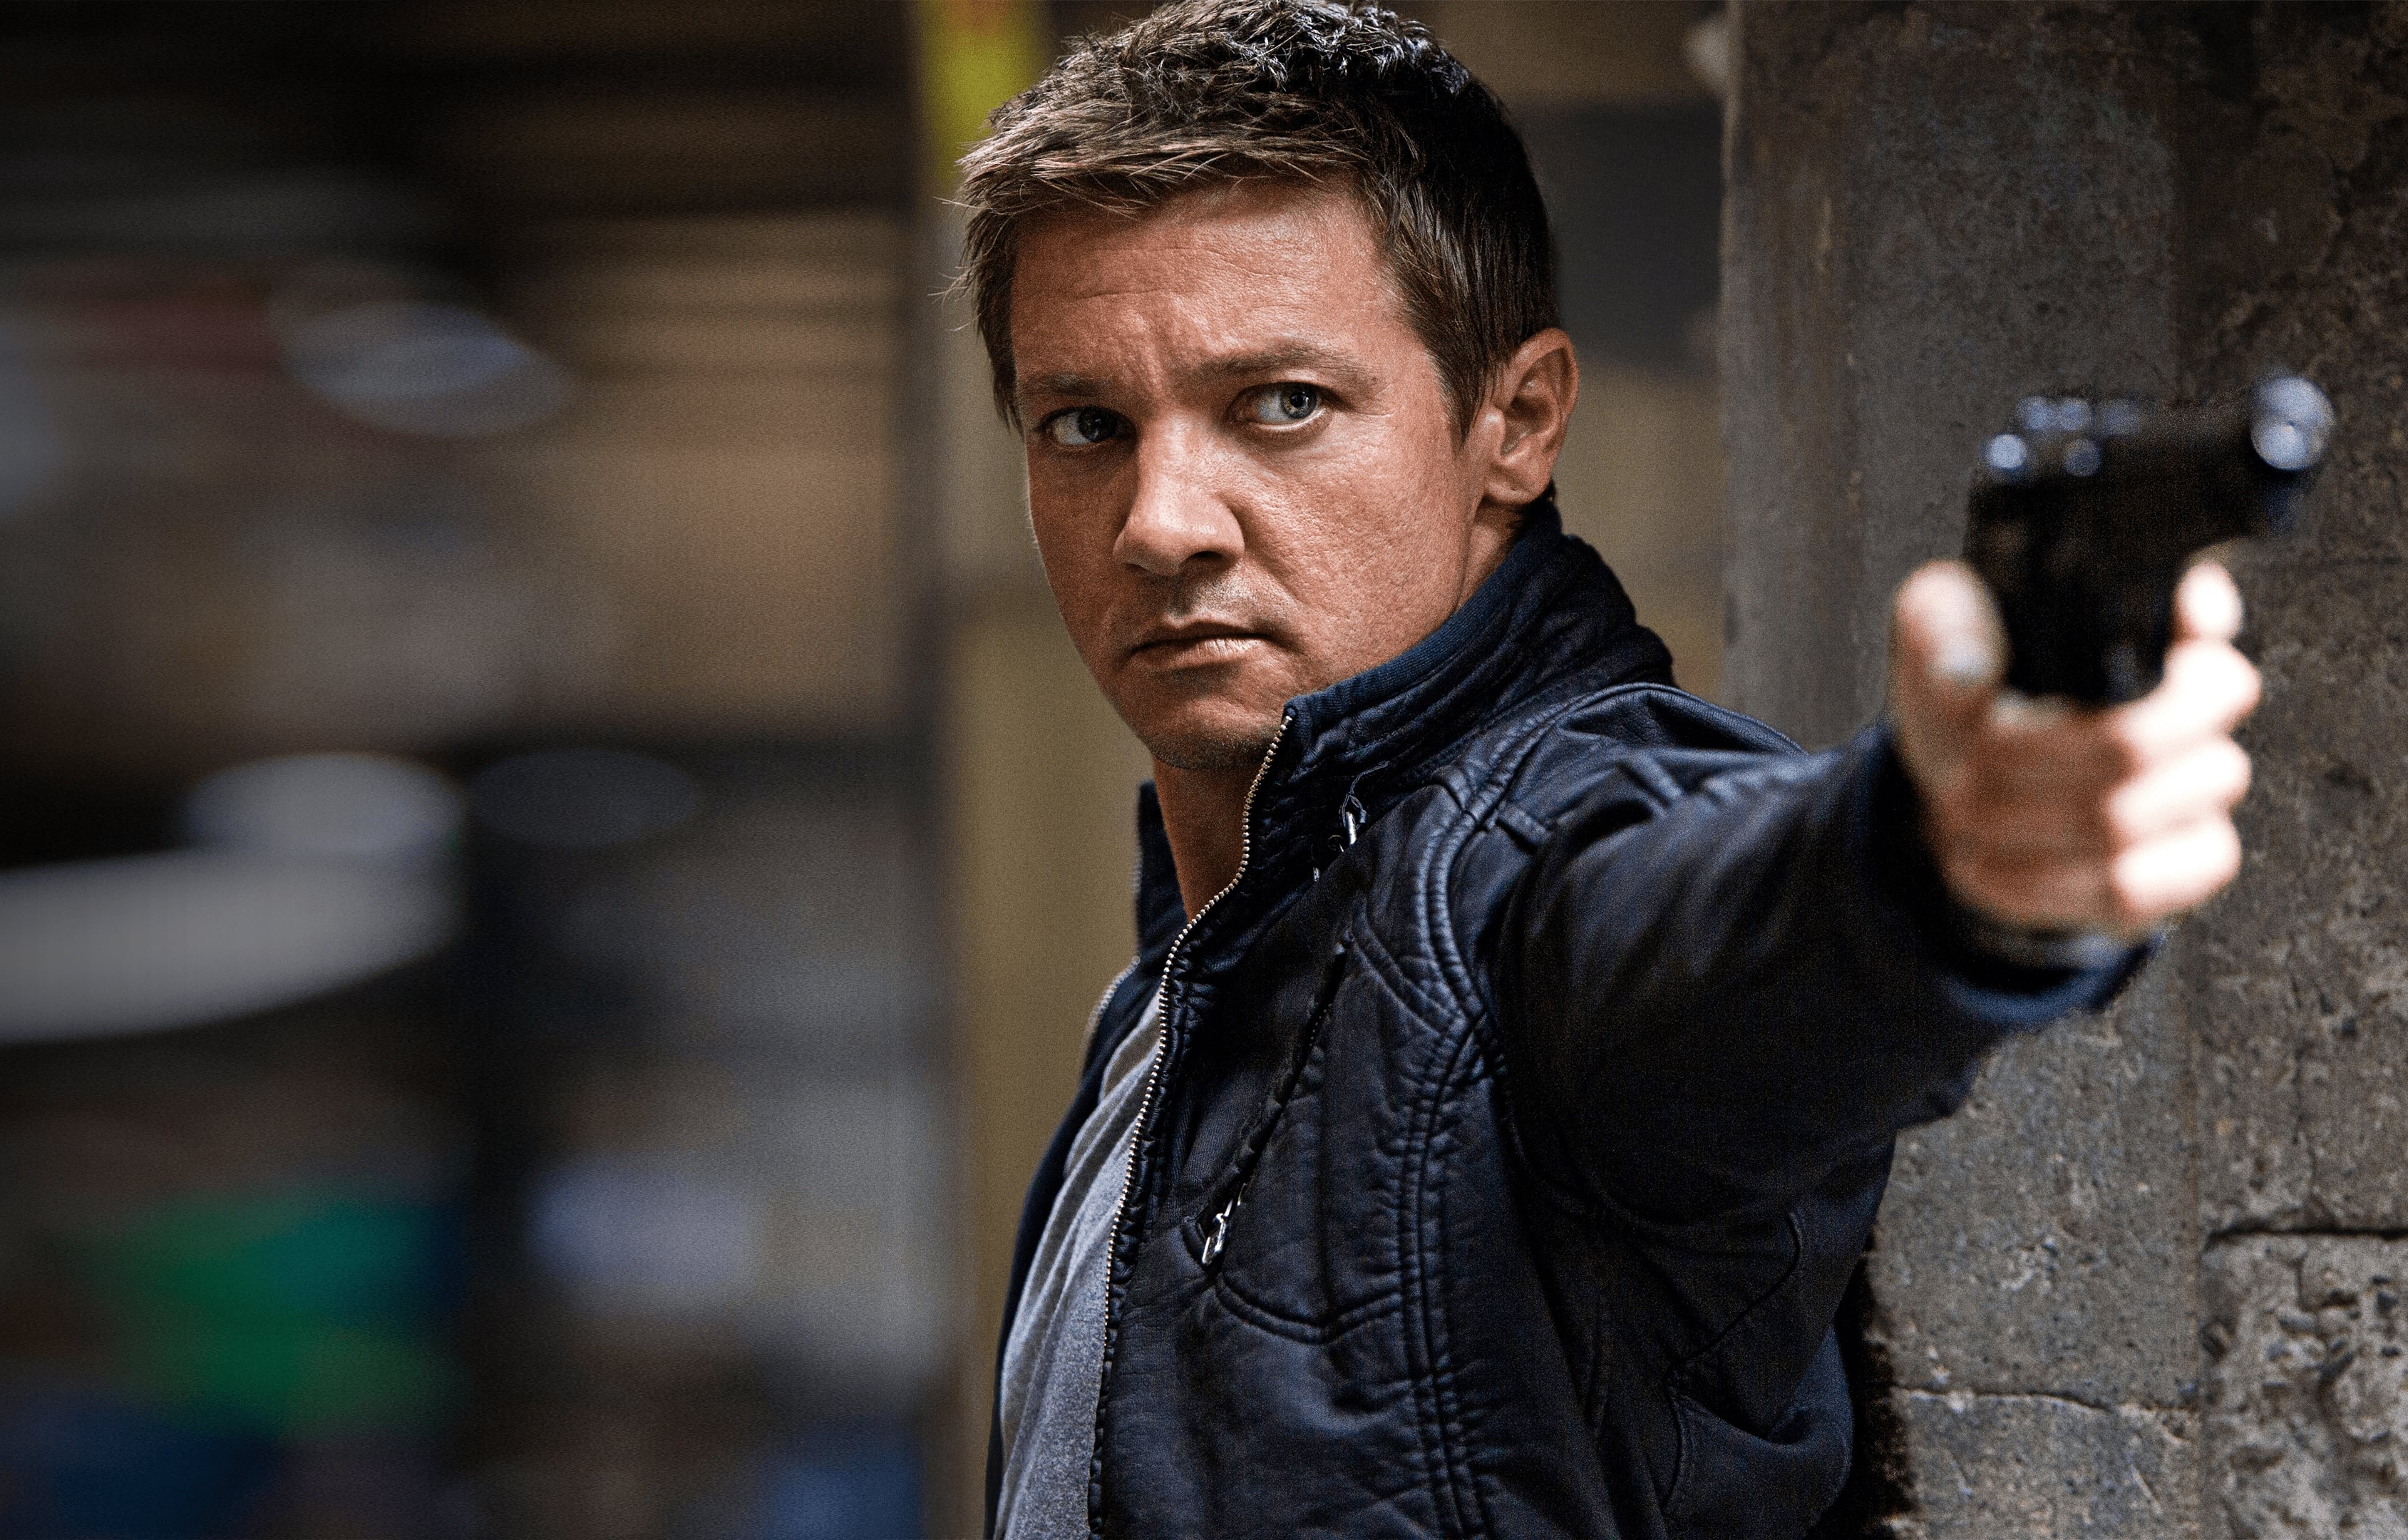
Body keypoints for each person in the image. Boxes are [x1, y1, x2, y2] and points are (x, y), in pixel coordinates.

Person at [953, 2, 2263, 1536]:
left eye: (1282, 405)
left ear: (1516, 422)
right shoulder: (1166, 1014)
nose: (1160, 522)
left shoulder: (1545, 871)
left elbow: (1722, 931)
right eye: (1086, 425)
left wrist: (1937, 861)